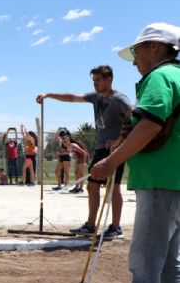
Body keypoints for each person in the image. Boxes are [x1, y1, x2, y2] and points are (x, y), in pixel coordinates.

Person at [89, 22, 180, 283]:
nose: (134, 60)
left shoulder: (161, 77)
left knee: (145, 260)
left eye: (137, 51)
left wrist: (112, 160)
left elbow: (151, 122)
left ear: (155, 47)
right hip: (175, 181)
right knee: (170, 261)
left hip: (159, 182)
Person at [37, 64, 133, 239]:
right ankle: (90, 225)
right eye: (93, 80)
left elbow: (133, 116)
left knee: (113, 187)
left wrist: (120, 141)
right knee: (92, 186)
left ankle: (115, 227)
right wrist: (49, 95)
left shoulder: (119, 99)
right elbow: (73, 97)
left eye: (98, 80)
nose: (95, 83)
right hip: (99, 148)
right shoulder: (96, 98)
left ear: (109, 80)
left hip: (114, 150)